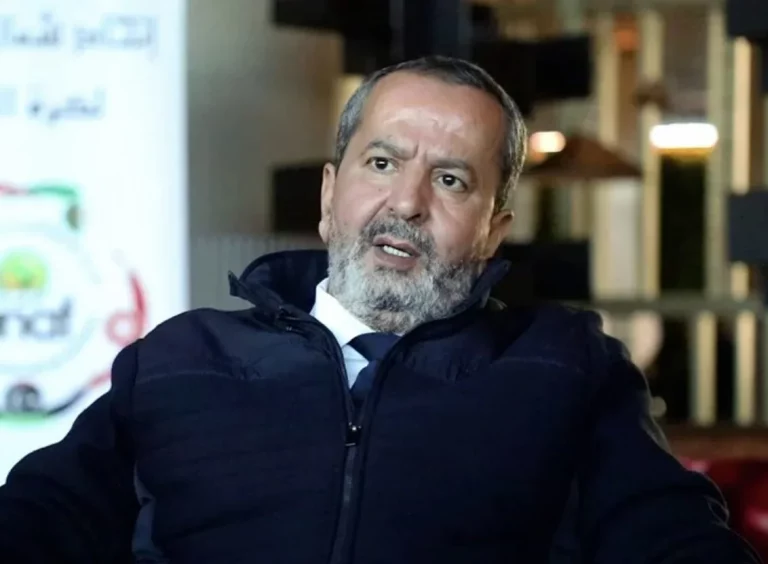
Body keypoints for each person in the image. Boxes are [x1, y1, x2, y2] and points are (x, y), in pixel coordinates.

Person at [0, 56, 760, 564]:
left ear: (494, 230)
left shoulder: (565, 367)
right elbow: (41, 519)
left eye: (452, 180)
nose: (407, 202)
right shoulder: (178, 359)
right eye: (382, 162)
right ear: (330, 193)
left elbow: (671, 536)